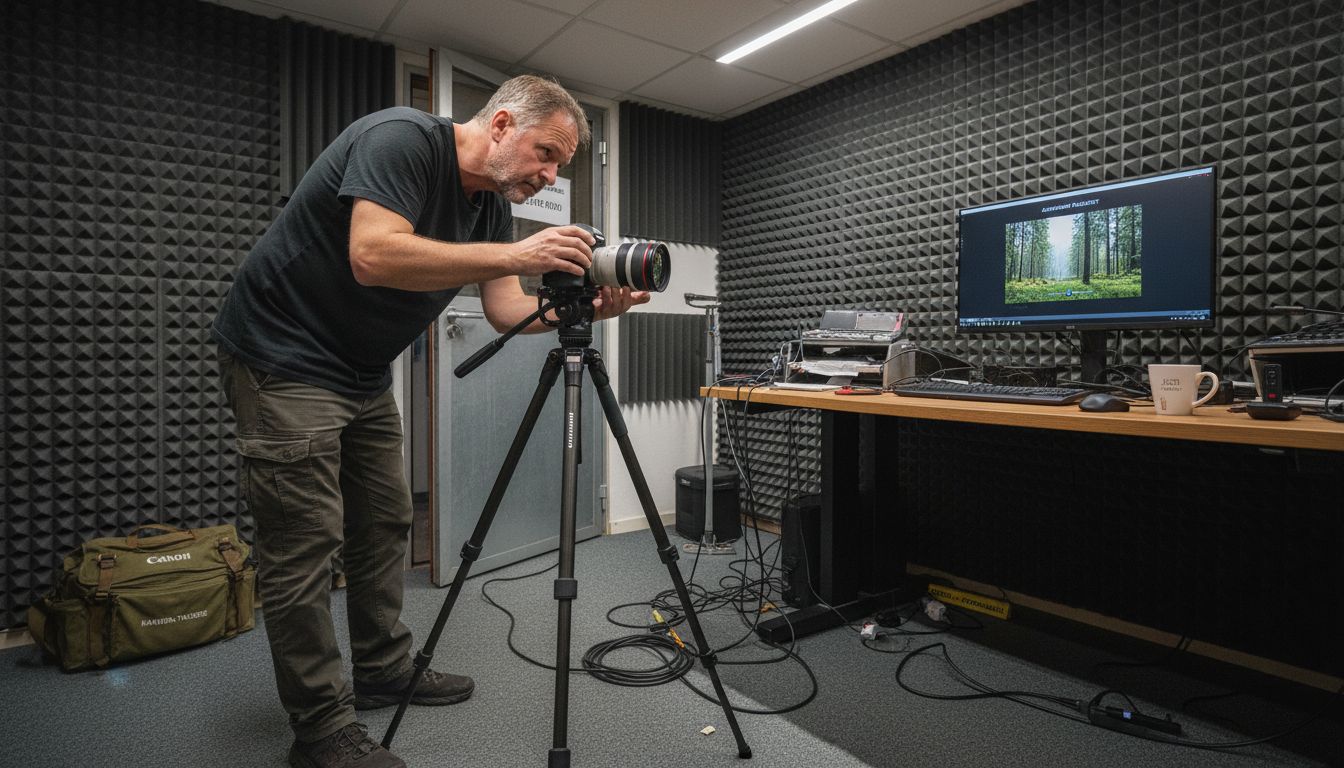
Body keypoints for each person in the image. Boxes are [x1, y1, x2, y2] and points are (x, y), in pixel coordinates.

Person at [212, 75, 648, 768]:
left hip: (358, 372)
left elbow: (506, 311)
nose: (549, 174)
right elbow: (373, 253)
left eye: (561, 163)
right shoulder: (401, 139)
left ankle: (383, 668)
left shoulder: (490, 208)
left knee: (386, 518)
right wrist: (520, 255)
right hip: (282, 356)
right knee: (304, 543)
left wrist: (593, 311)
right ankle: (322, 730)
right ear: (501, 124)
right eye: (546, 153)